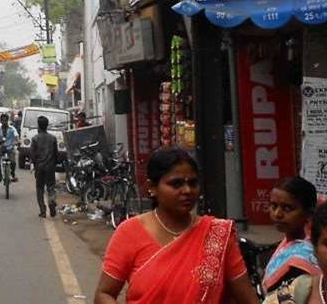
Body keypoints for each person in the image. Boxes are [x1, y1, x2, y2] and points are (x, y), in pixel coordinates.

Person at [94, 147, 259, 304]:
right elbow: (104, 294)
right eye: (176, 184)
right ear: (152, 187)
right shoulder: (129, 232)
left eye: (193, 183)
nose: (187, 190)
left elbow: (248, 299)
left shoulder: (216, 235)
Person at [262, 176, 320, 303]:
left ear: (309, 214)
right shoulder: (289, 241)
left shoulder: (301, 260)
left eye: (287, 208)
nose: (277, 214)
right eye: (274, 206)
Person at [29, 115, 58, 218]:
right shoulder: (53, 138)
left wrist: (34, 163)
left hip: (40, 167)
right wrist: (55, 164)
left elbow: (32, 154)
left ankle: (43, 211)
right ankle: (52, 200)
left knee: (40, 189)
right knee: (51, 187)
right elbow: (56, 154)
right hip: (50, 167)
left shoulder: (35, 139)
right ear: (47, 126)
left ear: (38, 126)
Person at [0, 113, 19, 183]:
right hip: (1, 148)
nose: (4, 122)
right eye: (2, 120)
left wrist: (17, 142)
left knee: (13, 162)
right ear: (1, 121)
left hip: (10, 147)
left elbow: (17, 137)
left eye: (5, 120)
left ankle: (13, 174)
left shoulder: (12, 129)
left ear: (7, 121)